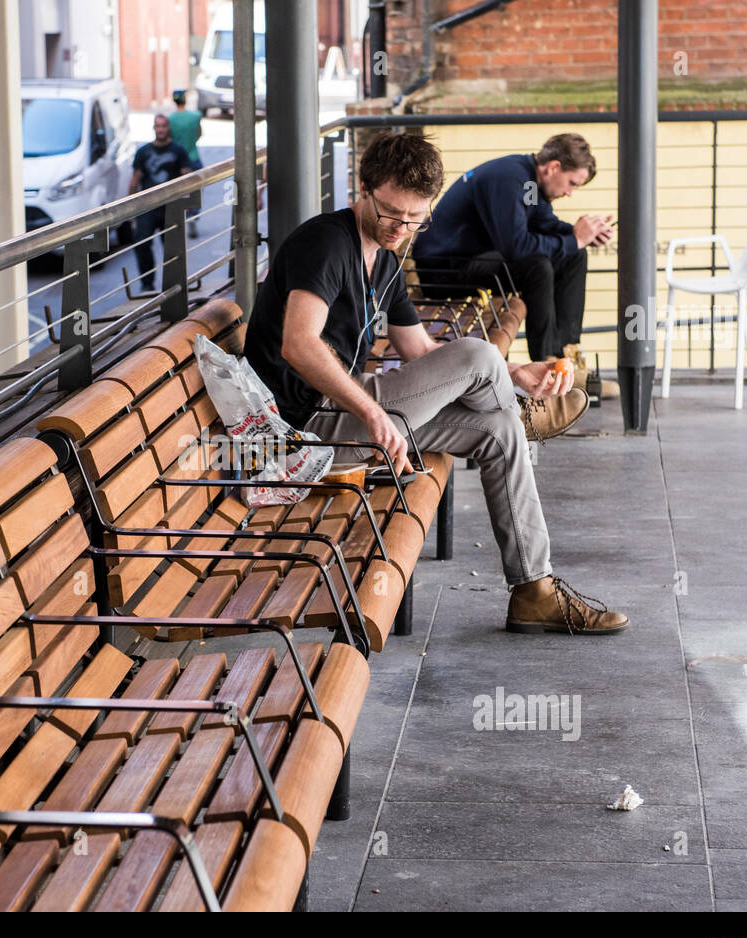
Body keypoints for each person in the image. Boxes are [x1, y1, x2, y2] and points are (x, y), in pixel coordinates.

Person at [242, 131, 629, 635]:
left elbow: (420, 351)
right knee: (476, 352)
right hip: (305, 430)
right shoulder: (326, 242)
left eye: (414, 218)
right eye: (390, 212)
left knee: (498, 432)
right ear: (363, 189)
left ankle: (534, 590)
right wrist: (373, 412)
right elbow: (299, 343)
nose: (401, 227)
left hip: (345, 416)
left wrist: (516, 372)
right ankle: (518, 408)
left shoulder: (385, 255)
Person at [413, 134, 614, 371]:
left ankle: (567, 353)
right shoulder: (509, 178)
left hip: (474, 261)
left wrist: (583, 234)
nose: (570, 192)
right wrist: (575, 239)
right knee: (537, 267)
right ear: (554, 167)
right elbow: (516, 247)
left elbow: (543, 222)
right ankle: (547, 364)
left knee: (574, 256)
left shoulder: (528, 179)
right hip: (443, 270)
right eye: (572, 183)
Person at [129, 114, 193, 292]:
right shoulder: (143, 152)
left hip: (171, 207)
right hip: (148, 207)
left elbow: (186, 175)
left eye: (163, 126)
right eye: (157, 126)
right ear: (154, 128)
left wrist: (187, 201)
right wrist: (128, 209)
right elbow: (135, 179)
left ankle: (174, 285)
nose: (161, 129)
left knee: (173, 248)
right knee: (141, 243)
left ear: (168, 128)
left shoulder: (178, 151)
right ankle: (147, 283)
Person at [168, 90, 204, 237]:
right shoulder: (195, 116)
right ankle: (193, 216)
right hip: (193, 157)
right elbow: (199, 133)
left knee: (178, 191)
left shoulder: (170, 119)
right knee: (195, 189)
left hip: (177, 160)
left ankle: (179, 217)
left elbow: (169, 138)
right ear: (185, 100)